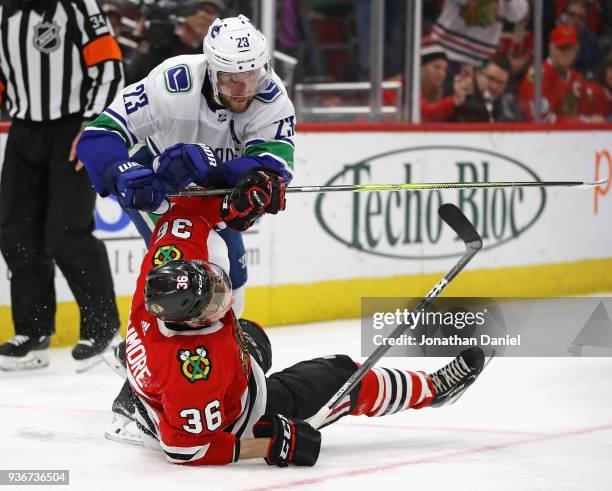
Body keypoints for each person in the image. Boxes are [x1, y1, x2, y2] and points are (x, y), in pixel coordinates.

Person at [106, 183, 488, 466]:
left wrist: (236, 199)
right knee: (339, 374)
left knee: (255, 336)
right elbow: (190, 449)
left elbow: (186, 211)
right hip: (240, 413)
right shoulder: (194, 373)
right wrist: (272, 445)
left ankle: (135, 401)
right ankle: (433, 390)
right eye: (213, 305)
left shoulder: (162, 268)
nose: (224, 295)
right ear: (190, 323)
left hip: (179, 381)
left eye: (214, 282)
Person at [77, 14, 296, 321]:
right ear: (210, 69)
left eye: (251, 75)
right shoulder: (171, 83)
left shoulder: (272, 97)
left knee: (233, 292)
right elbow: (99, 135)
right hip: (157, 181)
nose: (243, 88)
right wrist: (121, 171)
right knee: (197, 274)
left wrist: (238, 177)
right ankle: (154, 355)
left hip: (212, 186)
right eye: (231, 78)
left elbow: (271, 163)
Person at [0, 0, 123, 371]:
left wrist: (93, 126)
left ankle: (103, 328)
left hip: (73, 129)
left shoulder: (78, 6)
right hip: (23, 132)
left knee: (67, 231)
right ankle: (33, 333)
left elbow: (110, 67)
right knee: (15, 231)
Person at [519, 24, 600, 123]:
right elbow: (540, 120)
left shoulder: (577, 79)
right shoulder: (537, 75)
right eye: (561, 48)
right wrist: (582, 122)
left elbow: (585, 112)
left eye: (570, 49)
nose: (566, 53)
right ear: (551, 47)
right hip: (538, 136)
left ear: (576, 50)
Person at [453, 55, 524, 122]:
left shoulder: (509, 106)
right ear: (478, 74)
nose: (494, 87)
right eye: (491, 79)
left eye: (501, 82)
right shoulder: (460, 97)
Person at [561, 0, 602, 80]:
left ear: (585, 20)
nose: (576, 20)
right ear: (565, 16)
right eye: (572, 15)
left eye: (580, 17)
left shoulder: (593, 41)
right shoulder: (555, 36)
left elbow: (597, 71)